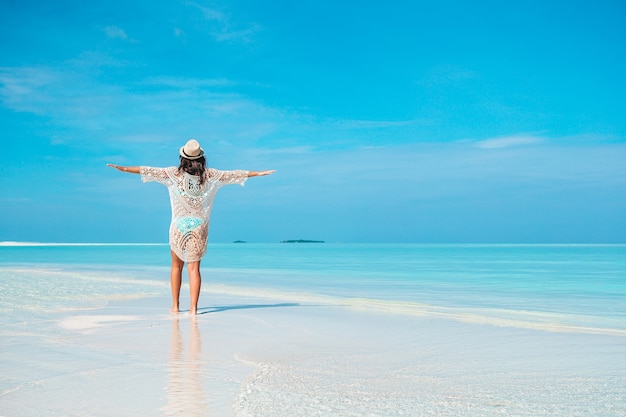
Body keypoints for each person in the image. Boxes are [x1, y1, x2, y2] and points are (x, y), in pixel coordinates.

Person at [108, 139, 275, 315]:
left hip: (178, 226)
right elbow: (233, 174)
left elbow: (146, 169)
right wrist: (257, 173)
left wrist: (124, 168)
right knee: (194, 269)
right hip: (199, 226)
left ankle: (175, 306)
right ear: (201, 157)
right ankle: (194, 309)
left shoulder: (173, 174)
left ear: (182, 157)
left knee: (176, 267)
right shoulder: (210, 175)